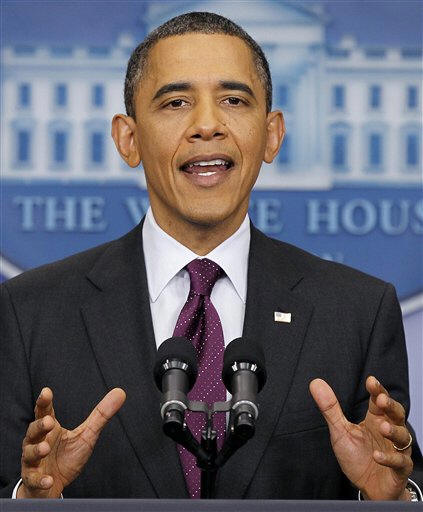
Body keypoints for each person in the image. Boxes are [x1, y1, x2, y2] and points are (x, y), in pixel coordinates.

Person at [1, 12, 422, 501]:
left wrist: (389, 500)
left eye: (233, 101)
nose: (207, 125)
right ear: (128, 139)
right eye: (176, 102)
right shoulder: (30, 313)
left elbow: (398, 477)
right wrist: (30, 500)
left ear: (272, 134)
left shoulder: (357, 312)